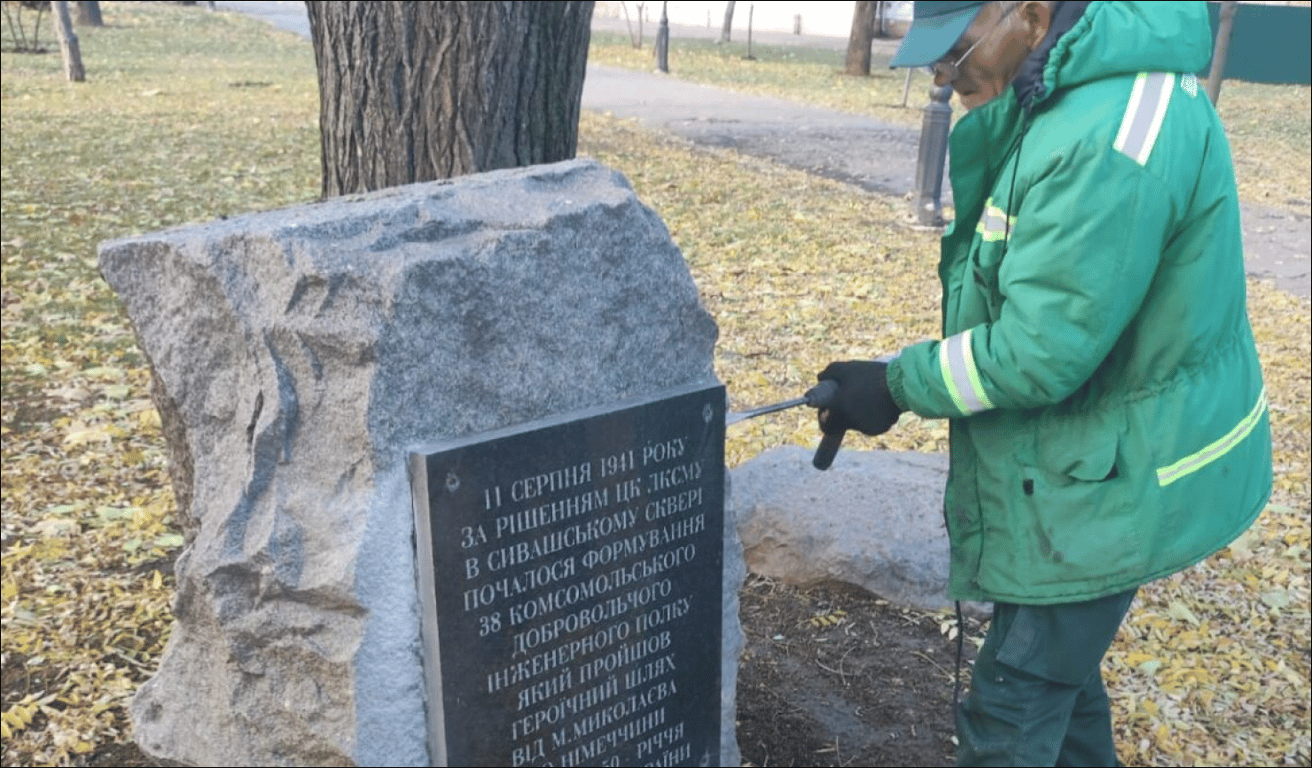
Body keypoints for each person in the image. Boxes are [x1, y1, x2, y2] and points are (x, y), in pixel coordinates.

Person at [814, 2, 1274, 765]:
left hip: (1119, 471)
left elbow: (1041, 349)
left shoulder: (1107, 138)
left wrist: (895, 386)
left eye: (954, 52)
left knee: (1015, 703)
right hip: (1095, 449)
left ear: (1025, 13)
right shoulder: (1063, 86)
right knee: (1061, 678)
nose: (939, 72)